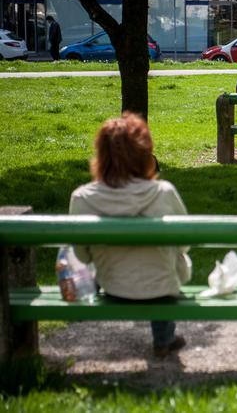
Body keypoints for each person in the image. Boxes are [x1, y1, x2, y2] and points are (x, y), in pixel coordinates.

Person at [69, 113, 191, 358]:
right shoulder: (163, 192)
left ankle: (164, 337)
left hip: (113, 285)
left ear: (101, 155)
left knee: (153, 265)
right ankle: (164, 339)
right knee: (169, 264)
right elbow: (185, 243)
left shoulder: (82, 198)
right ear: (145, 153)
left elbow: (81, 256)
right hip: (161, 286)